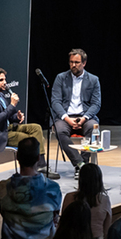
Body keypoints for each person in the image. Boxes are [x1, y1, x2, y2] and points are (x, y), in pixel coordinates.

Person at [0, 66, 50, 167]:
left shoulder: (0, 95)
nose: (5, 82)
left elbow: (9, 117)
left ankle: (40, 165)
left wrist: (17, 117)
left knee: (36, 128)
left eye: (5, 79)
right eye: (1, 80)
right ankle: (39, 166)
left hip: (8, 128)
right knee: (31, 139)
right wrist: (12, 105)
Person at [50, 48, 102, 178]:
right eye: (71, 62)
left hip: (85, 117)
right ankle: (80, 164)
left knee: (93, 127)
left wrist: (84, 118)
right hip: (65, 117)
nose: (73, 65)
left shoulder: (93, 80)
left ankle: (83, 164)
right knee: (59, 130)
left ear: (84, 63)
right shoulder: (61, 78)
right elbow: (55, 101)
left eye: (77, 62)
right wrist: (67, 119)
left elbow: (96, 104)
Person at [61, 163, 112, 239]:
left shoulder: (69, 197)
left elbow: (62, 224)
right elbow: (107, 229)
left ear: (81, 179)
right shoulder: (104, 199)